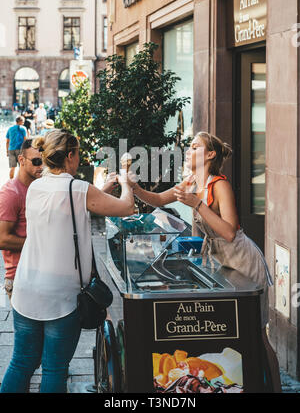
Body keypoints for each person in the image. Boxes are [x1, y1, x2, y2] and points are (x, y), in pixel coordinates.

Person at [127, 131, 282, 393]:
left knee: (257, 334)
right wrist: (134, 188)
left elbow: (230, 231)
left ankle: (275, 388)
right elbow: (159, 201)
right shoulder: (190, 181)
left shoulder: (219, 185)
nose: (188, 150)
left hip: (243, 261)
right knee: (239, 334)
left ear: (210, 155)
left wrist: (198, 205)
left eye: (194, 146)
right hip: (224, 264)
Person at [0, 129, 134, 393]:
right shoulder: (79, 189)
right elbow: (127, 207)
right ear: (71, 155)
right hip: (61, 296)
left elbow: (67, 204)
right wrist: (127, 181)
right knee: (54, 369)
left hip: (26, 288)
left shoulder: (35, 187)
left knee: (21, 363)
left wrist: (98, 192)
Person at [0, 139, 43, 300]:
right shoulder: (11, 193)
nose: (42, 166)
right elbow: (2, 239)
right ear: (21, 160)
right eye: (37, 161)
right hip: (20, 278)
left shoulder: (39, 187)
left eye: (45, 162)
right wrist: (41, 244)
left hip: (41, 274)